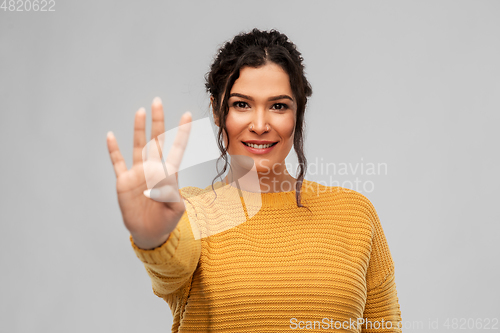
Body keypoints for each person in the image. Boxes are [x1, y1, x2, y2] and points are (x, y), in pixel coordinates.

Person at [106, 28, 402, 332]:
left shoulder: (354, 214)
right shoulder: (190, 211)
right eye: (241, 104)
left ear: (298, 113)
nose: (260, 125)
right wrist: (154, 238)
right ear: (217, 111)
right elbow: (171, 266)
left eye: (278, 106)